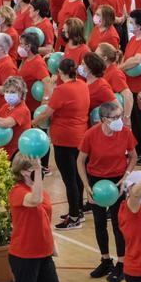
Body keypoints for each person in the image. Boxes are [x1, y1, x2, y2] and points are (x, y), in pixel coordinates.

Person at [78, 101, 137, 282]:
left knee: (119, 223)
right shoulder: (91, 135)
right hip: (97, 183)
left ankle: (122, 263)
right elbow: (80, 161)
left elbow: (133, 156)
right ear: (104, 119)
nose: (120, 120)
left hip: (117, 181)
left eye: (120, 116)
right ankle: (105, 260)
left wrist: (126, 176)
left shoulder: (125, 133)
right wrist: (87, 186)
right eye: (115, 117)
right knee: (99, 222)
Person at [8, 154, 62, 282]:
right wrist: (38, 171)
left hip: (44, 255)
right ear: (23, 170)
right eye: (33, 167)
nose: (38, 168)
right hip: (24, 256)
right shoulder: (17, 191)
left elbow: (45, 219)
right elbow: (34, 200)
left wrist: (52, 245)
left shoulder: (41, 191)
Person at [40, 58, 89, 229]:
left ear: (60, 73)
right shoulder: (83, 85)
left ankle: (74, 217)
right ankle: (78, 209)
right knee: (77, 175)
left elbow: (47, 111)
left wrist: (34, 122)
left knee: (69, 180)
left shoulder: (62, 89)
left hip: (64, 139)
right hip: (80, 136)